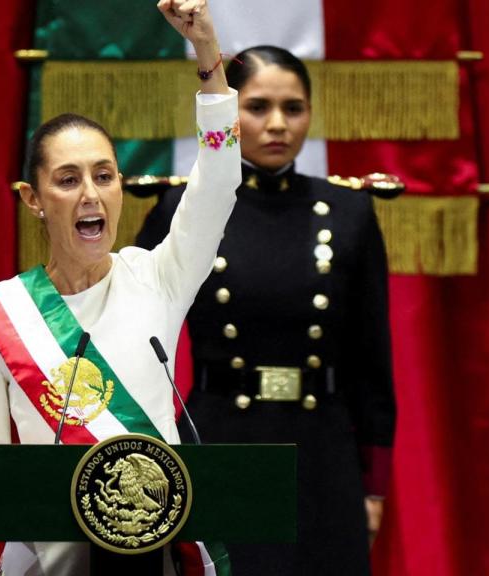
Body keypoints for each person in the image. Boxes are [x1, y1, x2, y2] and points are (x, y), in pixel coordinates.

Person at [0, 2, 240, 574]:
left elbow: (219, 180)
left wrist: (208, 54)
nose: (90, 193)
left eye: (104, 175)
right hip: (49, 559)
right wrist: (31, 500)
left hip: (158, 558)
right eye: (67, 180)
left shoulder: (159, 276)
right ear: (33, 200)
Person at [135, 45, 397, 575]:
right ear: (228, 112)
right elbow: (138, 343)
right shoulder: (183, 211)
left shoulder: (349, 213)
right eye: (257, 107)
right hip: (220, 444)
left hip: (322, 450)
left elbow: (372, 363)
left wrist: (374, 487)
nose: (278, 124)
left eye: (293, 107)